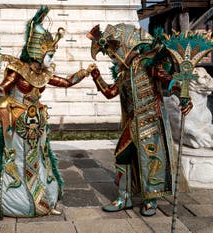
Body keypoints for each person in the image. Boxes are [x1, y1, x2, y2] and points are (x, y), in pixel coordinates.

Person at [0, 6, 96, 219]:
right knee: (15, 158)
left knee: (39, 158)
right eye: (49, 53)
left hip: (35, 121)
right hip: (12, 118)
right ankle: (17, 200)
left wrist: (85, 73)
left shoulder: (44, 73)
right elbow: (3, 88)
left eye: (52, 53)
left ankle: (43, 199)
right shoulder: (17, 70)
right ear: (38, 52)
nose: (51, 56)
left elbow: (65, 82)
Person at [86, 24, 192, 216]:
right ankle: (124, 197)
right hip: (134, 122)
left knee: (151, 159)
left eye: (112, 53)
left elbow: (167, 80)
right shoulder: (124, 73)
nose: (113, 56)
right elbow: (110, 92)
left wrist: (183, 95)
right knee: (122, 154)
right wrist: (96, 78)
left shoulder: (147, 63)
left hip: (152, 120)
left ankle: (150, 199)